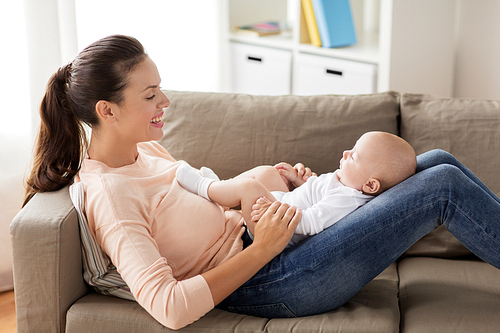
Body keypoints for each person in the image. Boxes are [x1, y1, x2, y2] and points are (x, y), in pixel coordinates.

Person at [24, 35, 500, 330]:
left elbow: (208, 191)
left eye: (160, 88)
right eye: (150, 95)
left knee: (435, 160)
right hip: (274, 278)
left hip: (271, 243)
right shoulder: (111, 194)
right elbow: (168, 308)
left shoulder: (144, 151)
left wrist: (272, 187)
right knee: (442, 187)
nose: (165, 100)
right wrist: (264, 248)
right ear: (106, 111)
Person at [175, 131, 417, 245]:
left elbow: (312, 221)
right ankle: (223, 191)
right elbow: (317, 193)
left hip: (273, 231)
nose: (346, 153)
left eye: (354, 156)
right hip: (283, 205)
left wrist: (274, 209)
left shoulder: (347, 199)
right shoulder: (347, 183)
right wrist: (301, 182)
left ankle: (203, 186)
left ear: (371, 185)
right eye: (351, 147)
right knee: (268, 173)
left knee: (249, 188)